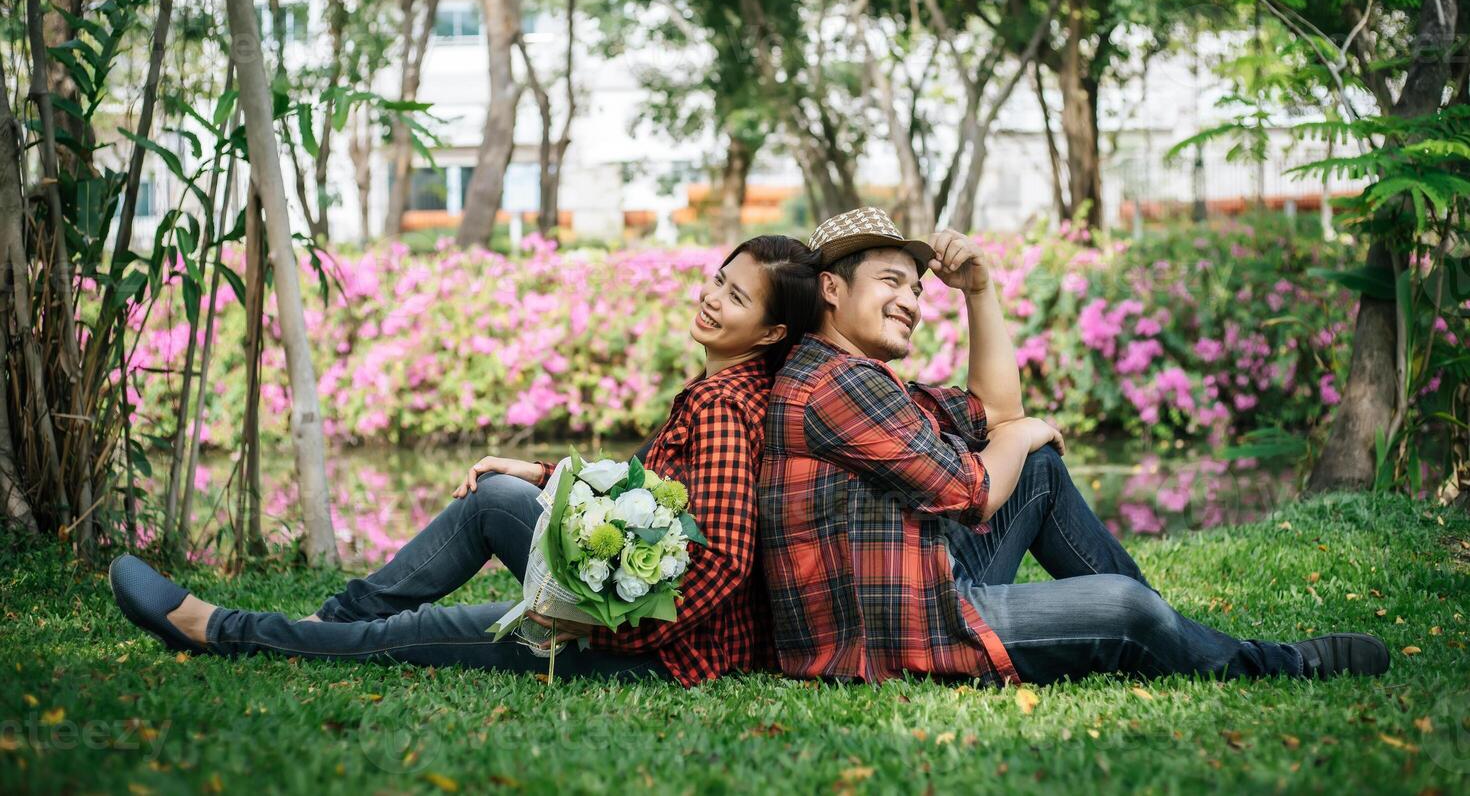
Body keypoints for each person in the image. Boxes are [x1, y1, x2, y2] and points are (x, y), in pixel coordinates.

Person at [110, 235, 823, 687]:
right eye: (718, 279)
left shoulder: (727, 405)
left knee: (419, 635)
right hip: (630, 611)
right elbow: (643, 488)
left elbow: (726, 557)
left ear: (771, 331)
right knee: (490, 496)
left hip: (654, 649)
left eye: (736, 296)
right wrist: (540, 475)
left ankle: (219, 628)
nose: (711, 297)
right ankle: (330, 627)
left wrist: (612, 627)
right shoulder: (719, 389)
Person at [757, 206, 1390, 686]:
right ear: (831, 291)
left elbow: (997, 414)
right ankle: (1274, 665)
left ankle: (1171, 638)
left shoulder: (857, 377)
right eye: (891, 281)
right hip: (898, 637)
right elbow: (972, 492)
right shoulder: (834, 385)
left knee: (1034, 470)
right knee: (1122, 606)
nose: (912, 301)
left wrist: (980, 289)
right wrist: (1023, 432)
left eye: (918, 288)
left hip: (922, 587)